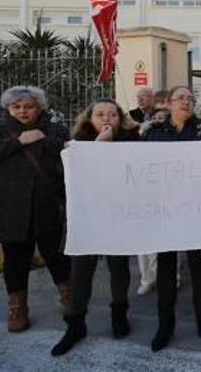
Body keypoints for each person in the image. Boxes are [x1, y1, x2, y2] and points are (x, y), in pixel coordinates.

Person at [51, 99, 140, 356]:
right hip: (86, 218)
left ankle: (119, 315)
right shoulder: (75, 144)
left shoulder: (133, 143)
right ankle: (75, 324)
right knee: (80, 273)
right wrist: (92, 151)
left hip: (119, 218)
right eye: (100, 114)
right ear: (90, 119)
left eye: (112, 114)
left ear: (120, 119)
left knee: (119, 269)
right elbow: (61, 178)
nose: (106, 119)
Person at [0, 86, 71, 333]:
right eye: (16, 107)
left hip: (47, 206)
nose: (22, 111)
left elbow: (68, 155)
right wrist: (18, 142)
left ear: (39, 107)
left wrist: (44, 139)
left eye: (28, 106)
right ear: (8, 108)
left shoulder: (55, 130)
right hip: (10, 208)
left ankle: (68, 296)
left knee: (56, 255)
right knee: (15, 260)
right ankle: (17, 307)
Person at [143, 85, 201, 352]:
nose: (186, 102)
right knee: (165, 268)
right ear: (168, 103)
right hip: (164, 210)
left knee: (199, 268)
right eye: (181, 98)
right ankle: (165, 324)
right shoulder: (153, 132)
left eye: (190, 98)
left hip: (195, 208)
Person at [135, 91, 171, 296]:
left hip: (167, 194)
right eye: (156, 117)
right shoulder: (142, 135)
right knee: (144, 241)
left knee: (167, 240)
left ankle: (170, 277)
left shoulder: (175, 137)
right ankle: (146, 278)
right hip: (145, 193)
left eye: (163, 117)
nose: (159, 120)